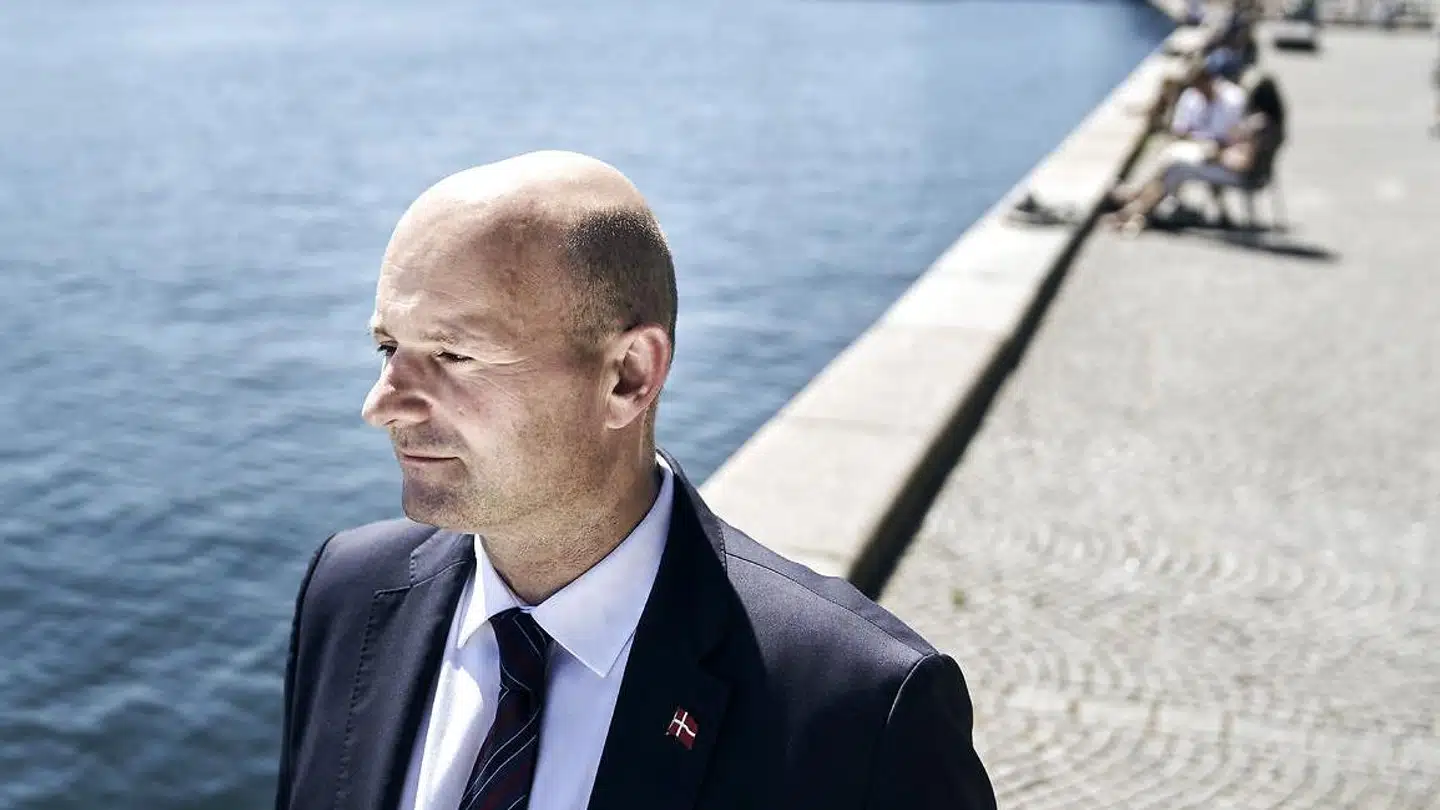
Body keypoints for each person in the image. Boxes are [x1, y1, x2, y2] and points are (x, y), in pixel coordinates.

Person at [272, 150, 997, 810]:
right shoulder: (347, 594)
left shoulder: (862, 710)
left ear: (629, 376)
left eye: (453, 355)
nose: (380, 405)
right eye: (388, 346)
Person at [1107, 72, 1286, 233]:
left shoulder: (1258, 127)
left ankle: (1138, 211)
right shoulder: (1272, 125)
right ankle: (1137, 208)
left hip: (1242, 175)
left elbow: (1243, 163)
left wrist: (1217, 155)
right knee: (1175, 161)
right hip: (1250, 172)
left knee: (1176, 167)